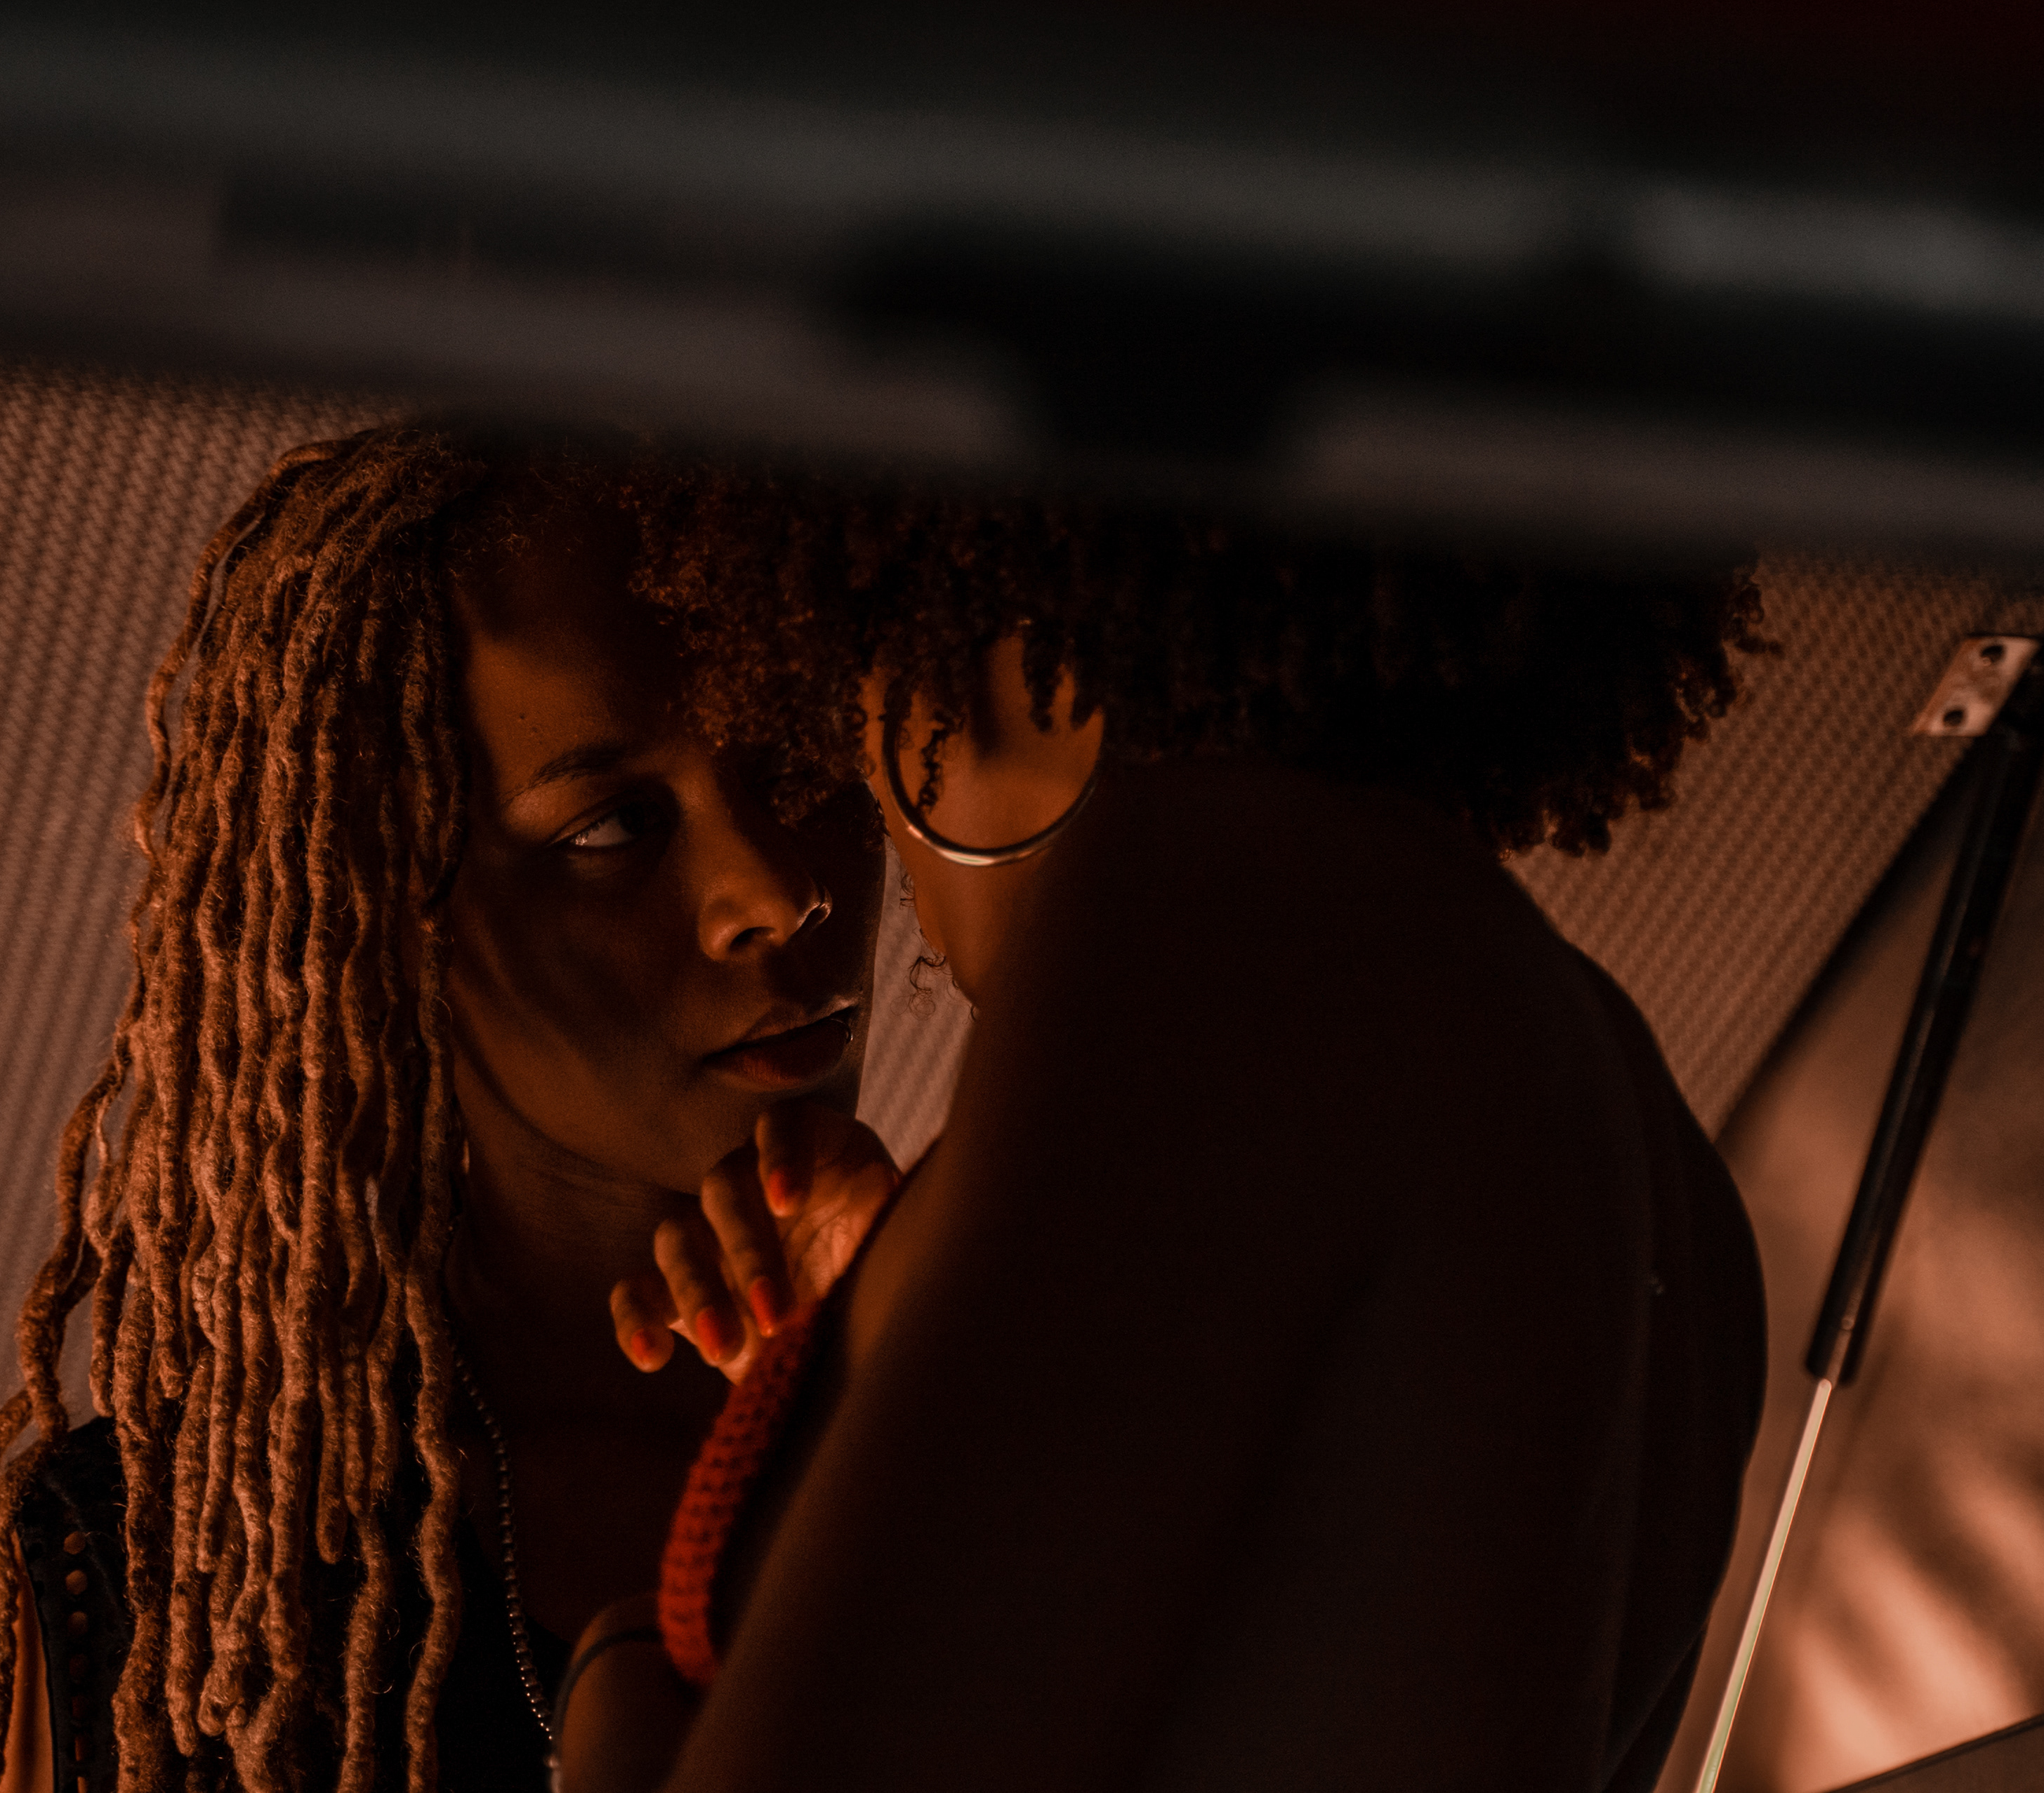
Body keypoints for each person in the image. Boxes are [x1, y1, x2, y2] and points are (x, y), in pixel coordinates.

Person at [558, 527, 1775, 1792]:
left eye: (842, 723)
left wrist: (617, 1663)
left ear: (960, 634)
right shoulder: (1636, 1132)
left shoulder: (1209, 918)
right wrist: (897, 1314)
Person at [0, 424, 975, 1793]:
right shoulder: (176, 1596)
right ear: (385, 906)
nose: (777, 891)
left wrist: (925, 1391)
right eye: (614, 827)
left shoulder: (1023, 1421)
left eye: (796, 757)